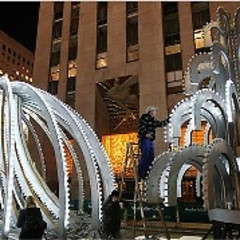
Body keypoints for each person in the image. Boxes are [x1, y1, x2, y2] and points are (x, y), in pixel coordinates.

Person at [138, 106, 169, 179]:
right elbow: (141, 128)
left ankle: (148, 172)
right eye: (155, 111)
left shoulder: (153, 120)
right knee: (146, 155)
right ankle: (142, 173)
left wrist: (169, 119)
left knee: (151, 157)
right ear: (151, 112)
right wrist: (146, 134)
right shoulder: (145, 118)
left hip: (150, 141)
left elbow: (161, 124)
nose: (155, 113)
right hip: (145, 140)